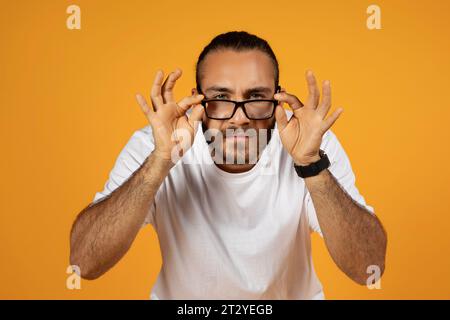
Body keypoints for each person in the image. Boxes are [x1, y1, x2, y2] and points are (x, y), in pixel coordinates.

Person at [69, 31, 387, 299]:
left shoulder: (311, 145)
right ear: (197, 102)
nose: (239, 117)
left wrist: (311, 165)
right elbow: (84, 262)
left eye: (256, 96)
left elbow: (368, 269)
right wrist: (159, 162)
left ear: (278, 98)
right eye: (221, 96)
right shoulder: (156, 144)